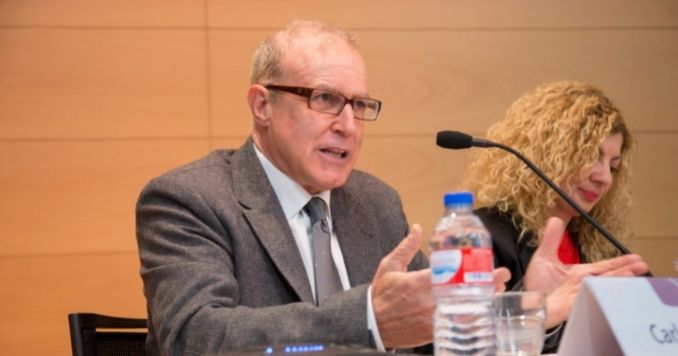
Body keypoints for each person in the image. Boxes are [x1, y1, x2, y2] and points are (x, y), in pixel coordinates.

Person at [136, 19, 513, 355]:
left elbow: (432, 328)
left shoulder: (376, 201)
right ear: (262, 106)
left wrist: (529, 309)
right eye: (326, 98)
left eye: (359, 104)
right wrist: (367, 318)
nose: (348, 125)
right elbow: (195, 337)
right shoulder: (188, 199)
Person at [462, 80, 650, 352]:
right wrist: (534, 302)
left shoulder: (601, 250)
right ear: (548, 153)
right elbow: (456, 343)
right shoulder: (482, 235)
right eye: (591, 157)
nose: (604, 177)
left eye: (613, 166)